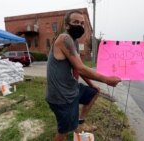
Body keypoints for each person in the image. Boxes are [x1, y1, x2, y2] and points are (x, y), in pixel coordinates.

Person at [46, 10, 121, 141]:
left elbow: (78, 67)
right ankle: (73, 125)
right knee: (63, 131)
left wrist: (93, 85)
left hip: (71, 89)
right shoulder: (65, 38)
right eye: (76, 22)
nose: (80, 26)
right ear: (67, 24)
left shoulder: (74, 42)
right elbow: (81, 68)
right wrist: (107, 80)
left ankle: (80, 122)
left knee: (93, 92)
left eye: (82, 23)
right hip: (61, 96)